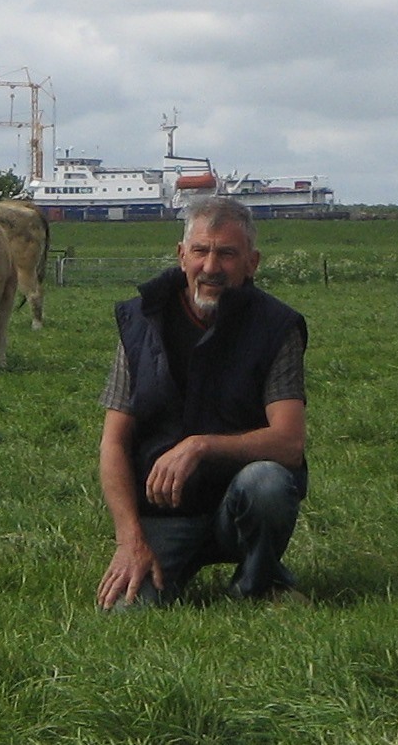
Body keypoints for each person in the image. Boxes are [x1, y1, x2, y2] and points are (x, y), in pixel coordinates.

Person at [97, 197, 308, 609]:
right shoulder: (141, 322)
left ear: (252, 263)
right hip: (164, 511)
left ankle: (257, 583)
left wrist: (200, 445)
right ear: (181, 256)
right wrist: (129, 540)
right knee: (127, 609)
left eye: (227, 254)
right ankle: (164, 559)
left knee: (267, 482)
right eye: (200, 251)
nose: (211, 267)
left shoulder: (277, 327)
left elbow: (289, 444)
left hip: (239, 501)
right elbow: (113, 442)